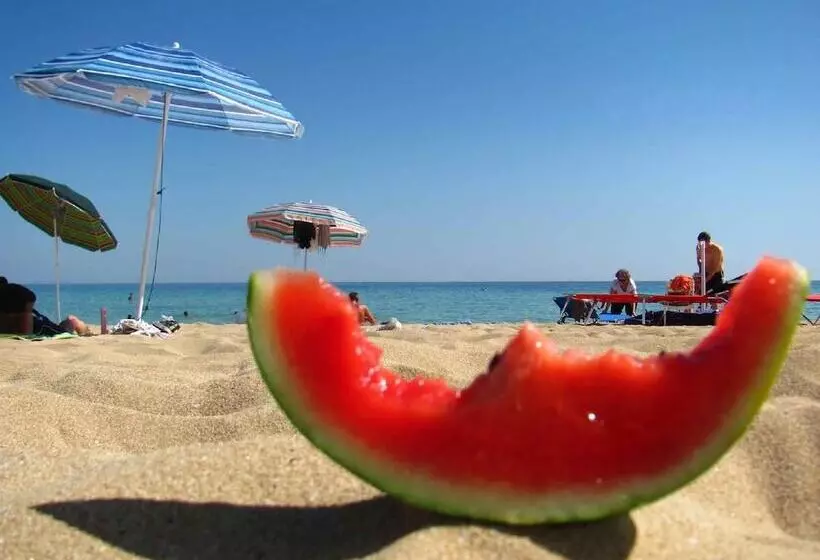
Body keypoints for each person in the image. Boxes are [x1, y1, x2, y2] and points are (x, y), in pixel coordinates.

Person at [0, 276, 91, 336]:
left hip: (50, 327)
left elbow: (25, 333)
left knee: (71, 322)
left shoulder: (34, 322)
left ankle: (79, 326)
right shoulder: (14, 306)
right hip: (36, 320)